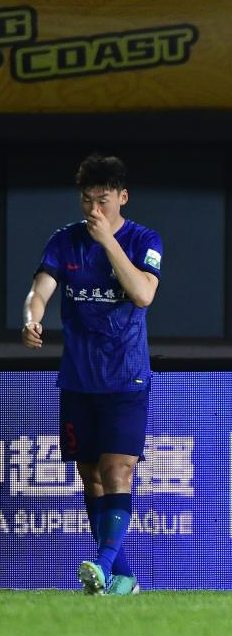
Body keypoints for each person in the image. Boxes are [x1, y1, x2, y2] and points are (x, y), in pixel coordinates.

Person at [22, 153, 161, 595]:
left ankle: (101, 565)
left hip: (126, 377)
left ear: (123, 197)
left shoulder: (144, 239)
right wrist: (32, 317)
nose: (94, 209)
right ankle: (123, 576)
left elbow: (142, 294)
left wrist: (107, 242)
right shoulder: (64, 241)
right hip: (79, 379)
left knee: (117, 470)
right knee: (91, 476)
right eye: (87, 200)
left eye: (103, 200)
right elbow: (39, 289)